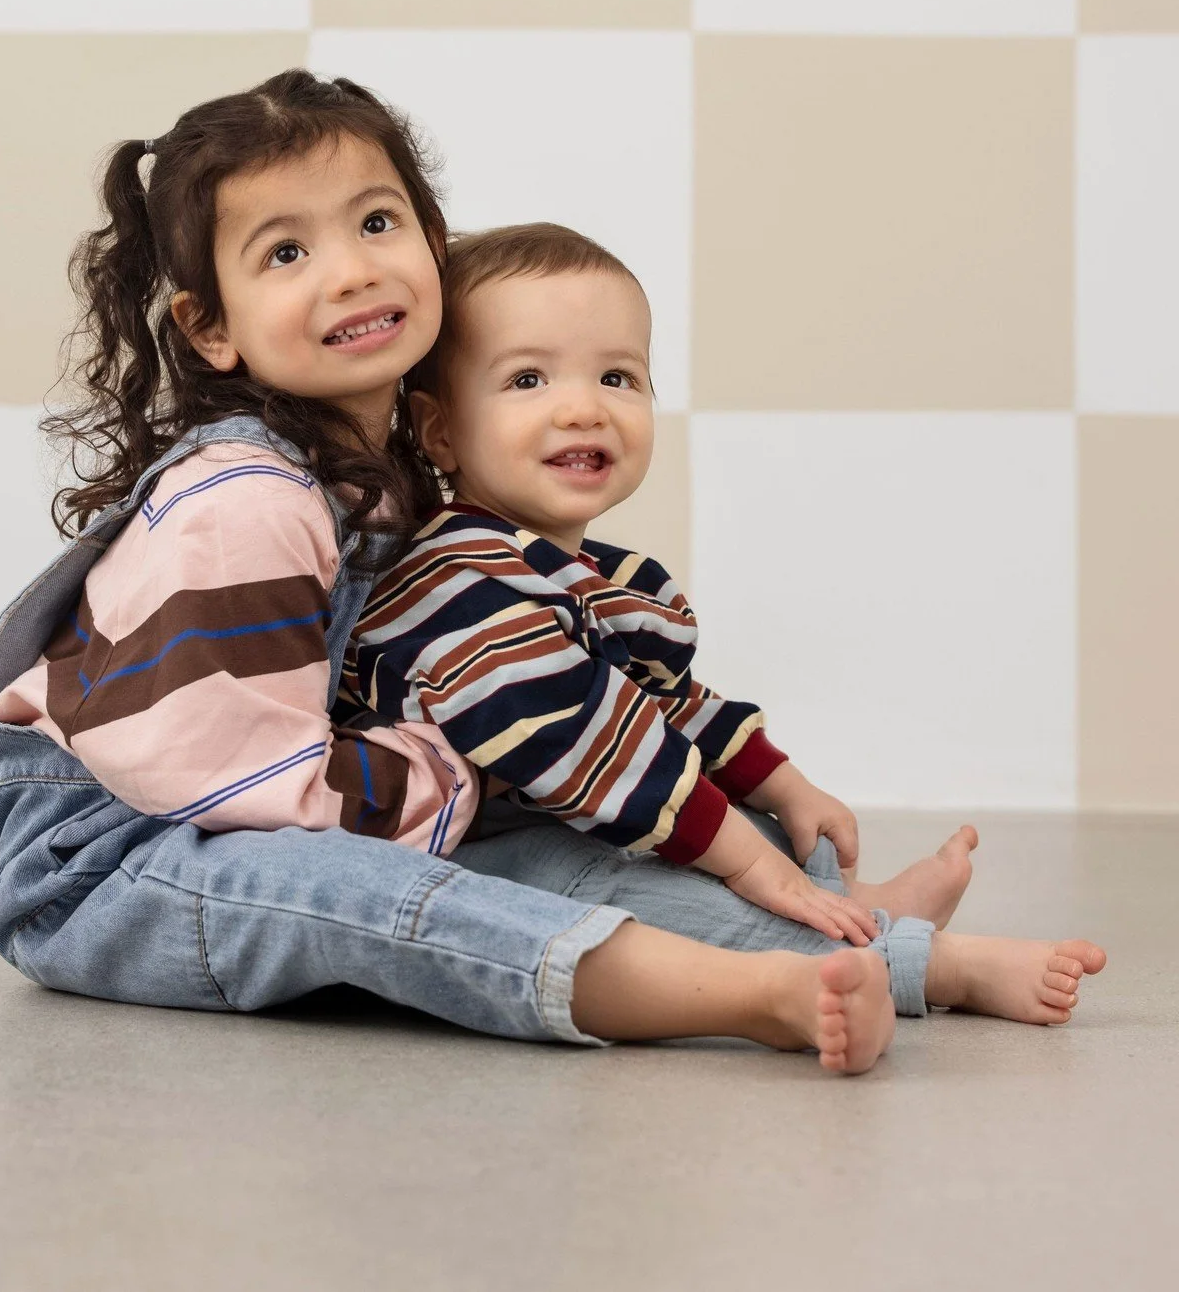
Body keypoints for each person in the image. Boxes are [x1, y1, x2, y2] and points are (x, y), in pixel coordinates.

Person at [0, 68, 911, 1072]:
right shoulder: (246, 502)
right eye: (286, 252)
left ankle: (864, 937)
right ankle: (754, 991)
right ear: (212, 328)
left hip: (293, 802)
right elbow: (230, 779)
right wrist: (455, 764)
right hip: (118, 868)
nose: (350, 273)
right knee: (395, 899)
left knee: (578, 804)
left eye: (377, 224)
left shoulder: (389, 475)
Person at [341, 221, 1107, 1030]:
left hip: (591, 804)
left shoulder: (602, 575)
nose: (583, 407)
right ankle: (923, 963)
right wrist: (750, 867)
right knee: (638, 890)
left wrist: (783, 785)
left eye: (617, 376)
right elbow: (582, 743)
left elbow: (667, 710)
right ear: (440, 432)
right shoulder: (452, 572)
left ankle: (846, 906)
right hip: (476, 850)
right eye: (528, 379)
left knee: (734, 817)